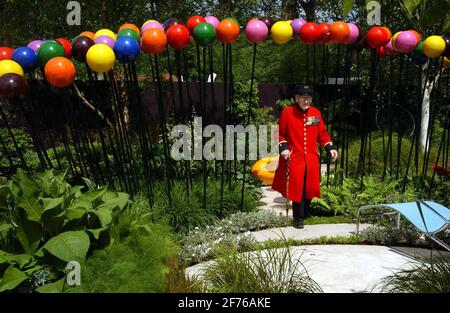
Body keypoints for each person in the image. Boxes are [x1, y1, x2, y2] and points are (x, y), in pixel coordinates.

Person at [272, 85, 338, 229]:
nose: (306, 101)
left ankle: (305, 211)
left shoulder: (315, 113)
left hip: (312, 158)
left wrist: (330, 147)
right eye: (303, 98)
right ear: (296, 98)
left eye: (308, 98)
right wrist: (283, 148)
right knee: (298, 188)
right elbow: (280, 134)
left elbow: (322, 134)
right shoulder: (287, 113)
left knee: (309, 188)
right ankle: (298, 218)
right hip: (295, 157)